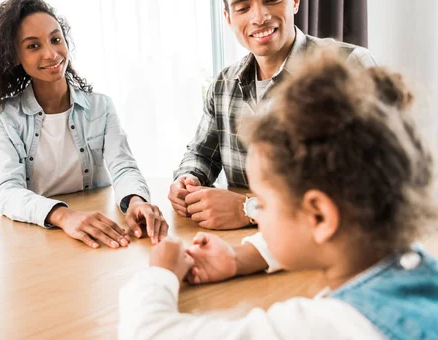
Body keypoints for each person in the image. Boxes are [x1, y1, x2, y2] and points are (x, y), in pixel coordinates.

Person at [119, 53, 438, 339]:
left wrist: (158, 274)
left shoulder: (329, 327)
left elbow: (148, 333)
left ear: (319, 216)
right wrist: (237, 258)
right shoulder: (412, 264)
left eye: (264, 203)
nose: (258, 212)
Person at [168, 0, 378, 235]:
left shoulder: (349, 67)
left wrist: (249, 210)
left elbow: (371, 181)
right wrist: (187, 179)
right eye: (243, 7)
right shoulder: (223, 85)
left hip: (323, 246)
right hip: (242, 247)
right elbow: (201, 154)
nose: (259, 16)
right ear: (229, 18)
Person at [0, 0, 167, 249]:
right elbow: (7, 192)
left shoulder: (100, 107)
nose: (51, 53)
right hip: (38, 238)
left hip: (96, 229)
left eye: (55, 39)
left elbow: (123, 167)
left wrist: (135, 200)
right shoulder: (4, 119)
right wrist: (64, 215)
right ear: (15, 57)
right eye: (33, 46)